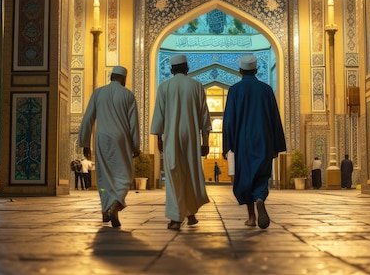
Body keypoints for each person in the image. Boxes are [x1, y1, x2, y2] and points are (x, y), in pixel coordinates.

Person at [223, 55, 286, 229]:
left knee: (246, 177)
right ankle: (260, 197)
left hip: (243, 141)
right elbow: (275, 119)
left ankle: (251, 217)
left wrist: (228, 144)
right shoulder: (266, 90)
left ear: (241, 71)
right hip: (264, 139)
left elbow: (228, 120)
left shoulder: (235, 90)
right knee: (261, 175)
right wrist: (276, 146)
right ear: (256, 70)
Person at [151, 54, 212, 230]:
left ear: (171, 70)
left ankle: (176, 218)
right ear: (187, 68)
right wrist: (205, 141)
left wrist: (158, 139)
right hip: (191, 137)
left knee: (174, 173)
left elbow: (159, 116)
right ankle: (190, 214)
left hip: (171, 136)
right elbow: (204, 116)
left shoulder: (164, 87)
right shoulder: (197, 86)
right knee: (190, 173)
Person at [79, 66, 140, 227]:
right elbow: (133, 124)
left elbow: (88, 119)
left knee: (104, 177)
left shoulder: (98, 93)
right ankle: (114, 206)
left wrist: (85, 143)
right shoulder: (128, 95)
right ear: (123, 79)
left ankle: (106, 210)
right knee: (124, 176)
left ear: (111, 77)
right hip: (122, 139)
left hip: (102, 138)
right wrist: (136, 145)